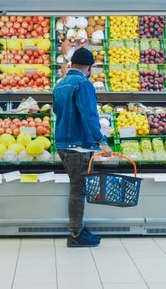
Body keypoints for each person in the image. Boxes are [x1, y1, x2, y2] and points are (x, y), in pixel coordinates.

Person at [53, 47, 112, 248]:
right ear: (89, 67)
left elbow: (57, 112)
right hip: (77, 146)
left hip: (62, 143)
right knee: (78, 189)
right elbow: (89, 115)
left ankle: (78, 228)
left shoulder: (60, 85)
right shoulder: (83, 84)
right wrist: (101, 141)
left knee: (77, 187)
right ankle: (76, 234)